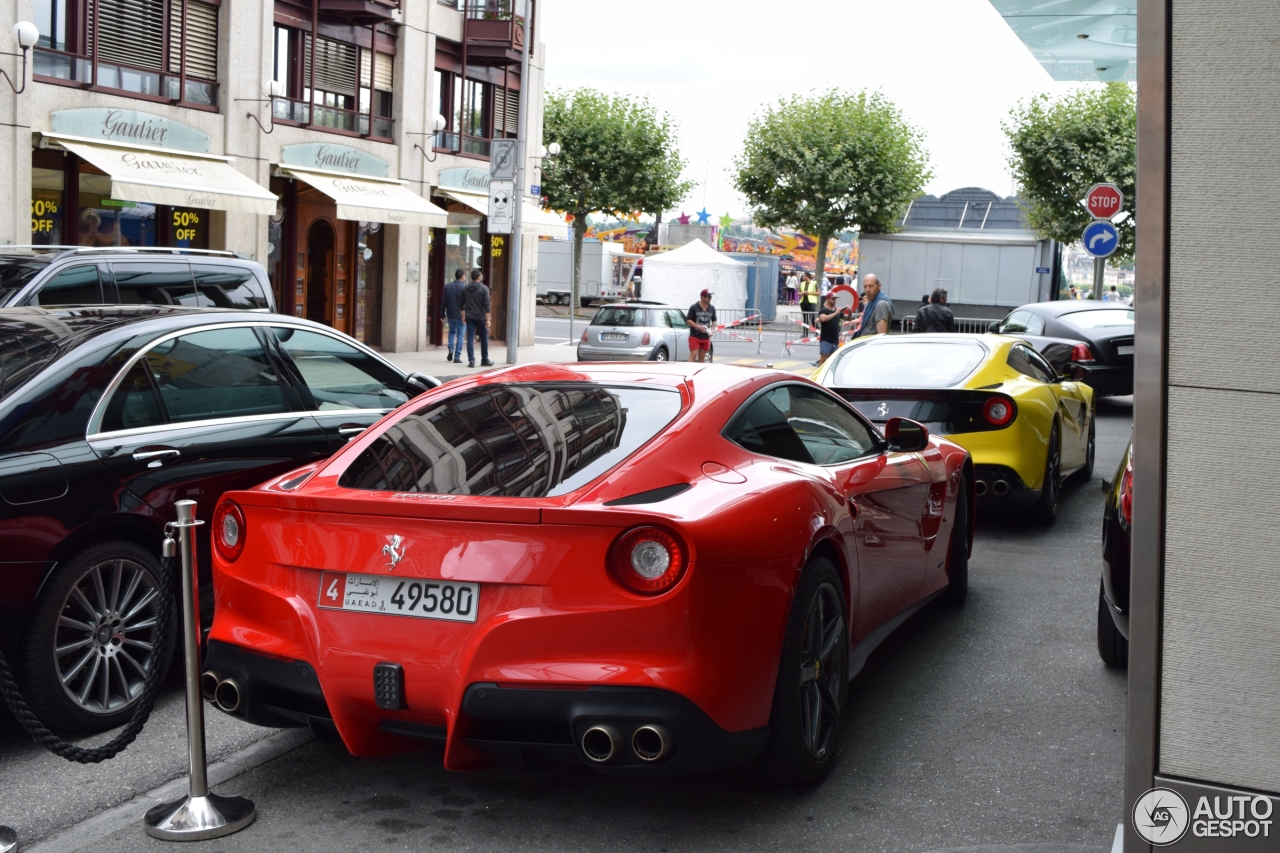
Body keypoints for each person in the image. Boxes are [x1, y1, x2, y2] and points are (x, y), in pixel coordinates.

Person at [463, 269, 494, 368]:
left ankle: (471, 360)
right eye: (481, 275)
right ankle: (484, 359)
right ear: (479, 277)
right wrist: (488, 320)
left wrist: (463, 316)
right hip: (481, 317)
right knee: (484, 337)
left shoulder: (465, 288)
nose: (482, 277)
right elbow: (487, 306)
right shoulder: (484, 288)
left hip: (470, 317)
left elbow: (460, 304)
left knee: (470, 338)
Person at [851, 273, 894, 338]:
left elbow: (881, 337)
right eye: (865, 286)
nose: (867, 290)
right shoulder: (872, 301)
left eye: (871, 286)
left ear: (879, 286)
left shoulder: (881, 304)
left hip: (871, 346)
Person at [815, 293, 849, 367]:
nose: (834, 301)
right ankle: (818, 375)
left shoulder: (838, 311)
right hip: (826, 339)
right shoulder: (823, 311)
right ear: (827, 299)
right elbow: (823, 319)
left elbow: (848, 318)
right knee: (823, 359)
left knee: (833, 361)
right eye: (833, 299)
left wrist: (850, 312)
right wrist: (835, 313)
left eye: (835, 299)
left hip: (835, 340)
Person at [685, 289, 717, 363]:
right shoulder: (694, 307)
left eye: (711, 297)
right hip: (695, 336)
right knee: (693, 355)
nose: (710, 298)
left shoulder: (712, 308)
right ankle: (686, 370)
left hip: (705, 337)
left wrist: (712, 330)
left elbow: (714, 321)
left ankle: (699, 373)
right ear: (703, 297)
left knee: (702, 357)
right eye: (709, 297)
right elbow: (688, 320)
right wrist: (698, 327)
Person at [443, 269, 466, 362]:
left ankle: (451, 349)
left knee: (452, 332)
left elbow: (443, 301)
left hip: (451, 314)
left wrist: (442, 313)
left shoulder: (448, 287)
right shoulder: (465, 287)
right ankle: (457, 356)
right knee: (460, 335)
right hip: (462, 315)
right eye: (464, 275)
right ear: (462, 276)